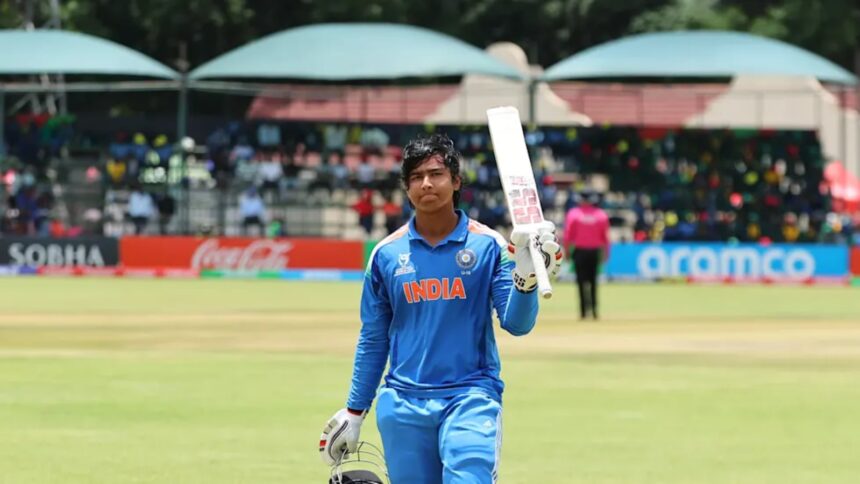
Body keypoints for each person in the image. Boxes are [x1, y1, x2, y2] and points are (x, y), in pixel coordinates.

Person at [319, 134, 562, 483]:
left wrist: (526, 280)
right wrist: (355, 410)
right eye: (416, 177)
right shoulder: (386, 254)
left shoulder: (489, 245)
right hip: (402, 402)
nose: (427, 183)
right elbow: (373, 339)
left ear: (456, 181)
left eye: (436, 174)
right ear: (405, 187)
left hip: (470, 396)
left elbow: (517, 323)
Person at [563, 189, 610, 320]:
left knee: (581, 282)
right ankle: (594, 311)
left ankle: (584, 312)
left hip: (580, 252)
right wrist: (606, 252)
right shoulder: (601, 215)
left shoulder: (573, 214)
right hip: (594, 252)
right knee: (593, 282)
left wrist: (566, 251)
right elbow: (605, 238)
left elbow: (568, 236)